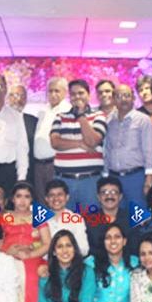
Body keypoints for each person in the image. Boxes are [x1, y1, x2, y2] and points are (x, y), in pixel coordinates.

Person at [0, 182, 51, 302]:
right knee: (16, 273)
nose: (22, 201)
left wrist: (31, 254)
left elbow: (47, 243)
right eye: (19, 196)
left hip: (33, 257)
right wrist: (8, 251)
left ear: (32, 199)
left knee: (32, 275)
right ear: (12, 199)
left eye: (27, 197)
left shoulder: (38, 216)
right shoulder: (5, 217)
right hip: (8, 256)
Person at [50, 79, 107, 210]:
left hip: (90, 181)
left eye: (81, 93)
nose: (77, 97)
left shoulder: (99, 115)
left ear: (88, 95)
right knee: (64, 220)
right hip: (64, 181)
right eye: (73, 94)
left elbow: (92, 141)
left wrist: (81, 116)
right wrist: (80, 144)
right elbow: (55, 142)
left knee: (92, 220)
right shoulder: (60, 117)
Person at [104, 84, 152, 210]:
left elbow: (149, 150)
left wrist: (149, 178)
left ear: (133, 98)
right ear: (113, 99)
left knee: (138, 216)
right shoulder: (109, 120)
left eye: (127, 95)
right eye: (119, 96)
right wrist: (105, 175)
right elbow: (107, 149)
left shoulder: (143, 120)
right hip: (113, 177)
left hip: (135, 177)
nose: (123, 99)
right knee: (117, 215)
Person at [33, 77, 71, 197]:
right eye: (50, 91)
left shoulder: (68, 111)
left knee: (57, 201)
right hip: (38, 165)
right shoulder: (43, 111)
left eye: (57, 91)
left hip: (56, 165)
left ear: (65, 92)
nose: (53, 94)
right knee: (41, 200)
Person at [85, 177, 132, 258]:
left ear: (120, 196)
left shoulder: (131, 219)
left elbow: (133, 247)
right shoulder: (88, 220)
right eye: (104, 192)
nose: (109, 196)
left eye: (114, 192)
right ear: (98, 197)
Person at [43, 179, 90, 256]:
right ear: (46, 199)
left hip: (71, 260)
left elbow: (84, 249)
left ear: (67, 197)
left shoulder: (76, 219)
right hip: (46, 262)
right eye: (51, 195)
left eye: (60, 194)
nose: (56, 198)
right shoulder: (40, 219)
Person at [9, 85, 38, 184]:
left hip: (29, 173)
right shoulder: (0, 120)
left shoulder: (33, 121)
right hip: (6, 171)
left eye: (22, 96)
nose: (18, 99)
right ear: (8, 98)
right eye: (15, 95)